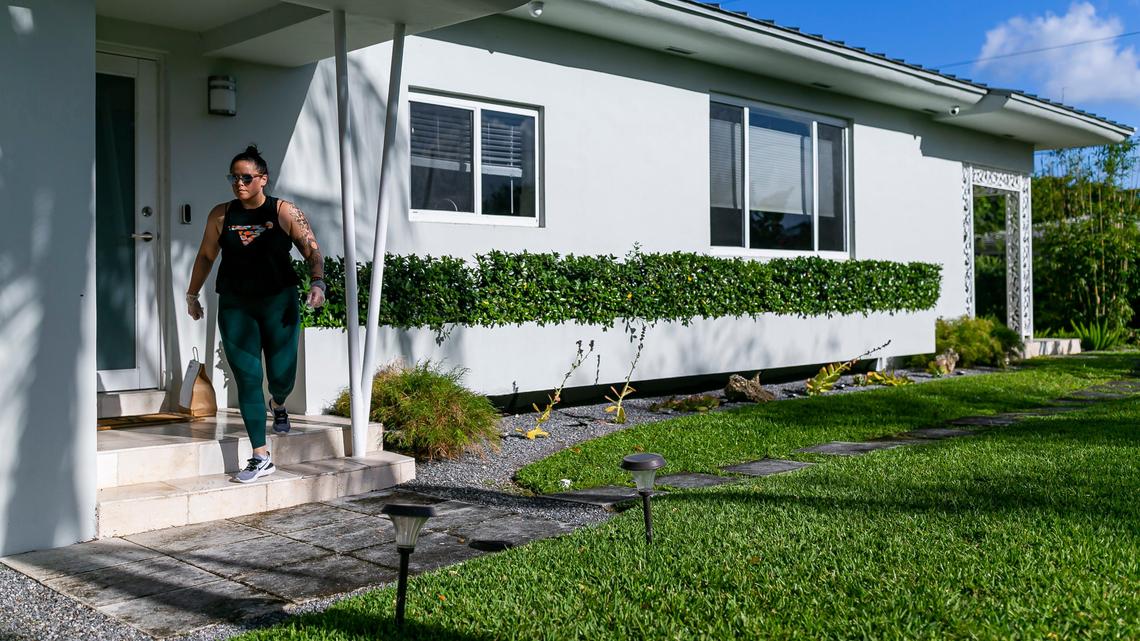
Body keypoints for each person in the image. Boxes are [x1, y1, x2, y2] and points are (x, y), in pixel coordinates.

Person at [186, 144, 326, 483]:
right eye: (234, 177)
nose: (239, 183)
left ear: (262, 179)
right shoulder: (221, 215)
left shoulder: (284, 212)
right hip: (236, 304)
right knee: (247, 377)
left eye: (246, 177)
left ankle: (278, 402)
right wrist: (192, 293)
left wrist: (318, 283)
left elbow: (312, 250)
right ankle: (260, 455)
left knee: (281, 374)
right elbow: (206, 257)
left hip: (278, 303)